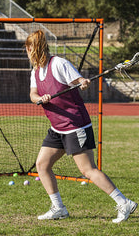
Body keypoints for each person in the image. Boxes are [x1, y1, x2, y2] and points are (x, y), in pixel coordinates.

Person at [25, 29, 137, 223]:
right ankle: (58, 208)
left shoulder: (59, 64)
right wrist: (40, 98)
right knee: (42, 165)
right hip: (57, 127)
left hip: (75, 125)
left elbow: (79, 82)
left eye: (28, 48)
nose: (27, 52)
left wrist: (83, 82)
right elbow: (33, 95)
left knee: (87, 170)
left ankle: (124, 202)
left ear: (32, 48)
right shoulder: (35, 71)